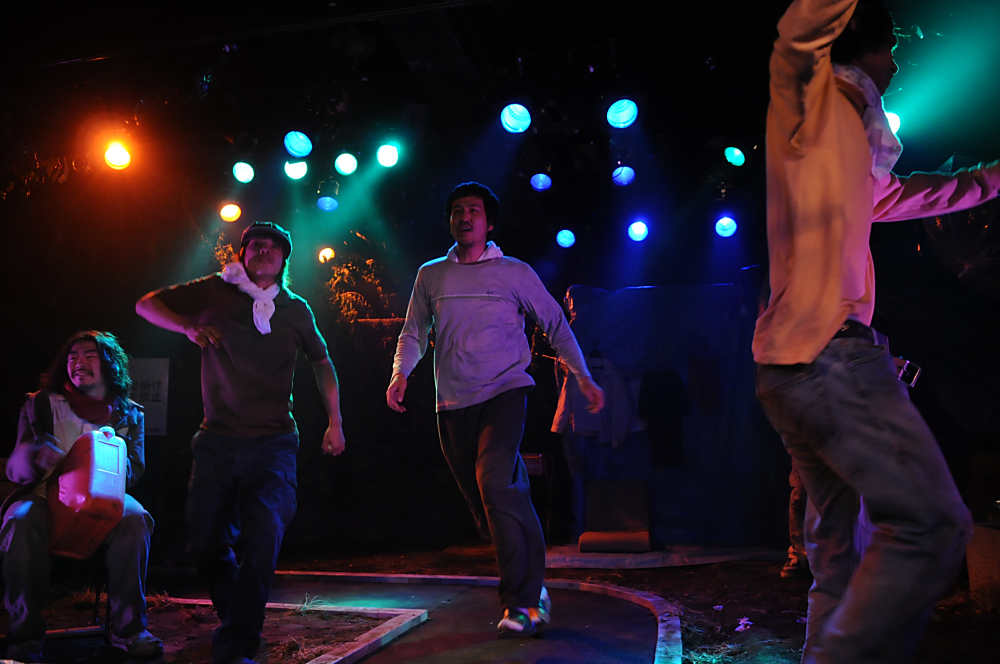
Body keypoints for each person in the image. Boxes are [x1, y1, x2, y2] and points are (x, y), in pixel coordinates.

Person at [754, 1, 1000, 661]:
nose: (895, 66)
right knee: (931, 525)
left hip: (788, 368)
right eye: (891, 50)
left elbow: (915, 194)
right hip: (831, 355)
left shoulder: (830, 156)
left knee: (838, 552)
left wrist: (991, 178)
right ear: (864, 47)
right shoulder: (831, 108)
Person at [386, 182, 604, 637]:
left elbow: (555, 323)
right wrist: (401, 372)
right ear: (449, 221)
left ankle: (520, 603)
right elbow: (413, 332)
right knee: (491, 504)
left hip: (505, 392)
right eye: (457, 211)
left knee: (495, 485)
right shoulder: (431, 275)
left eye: (474, 210)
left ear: (489, 223)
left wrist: (582, 376)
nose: (465, 217)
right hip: (452, 402)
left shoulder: (514, 272)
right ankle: (534, 586)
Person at [136, 221, 346, 664]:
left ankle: (236, 646)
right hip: (217, 440)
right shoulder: (215, 291)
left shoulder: (294, 309)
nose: (264, 251)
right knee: (204, 543)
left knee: (264, 537)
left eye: (274, 247)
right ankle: (238, 615)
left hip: (273, 443)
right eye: (256, 245)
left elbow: (322, 360)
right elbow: (146, 304)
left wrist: (336, 421)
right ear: (242, 254)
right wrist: (186, 326)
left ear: (284, 260)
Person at [2, 331, 162, 662]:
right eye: (73, 356)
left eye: (90, 355)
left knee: (136, 518)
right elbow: (15, 467)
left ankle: (129, 630)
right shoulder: (41, 403)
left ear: (109, 364)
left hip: (103, 499)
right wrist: (33, 455)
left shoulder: (130, 413)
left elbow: (134, 469)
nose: (79, 362)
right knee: (20, 520)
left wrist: (109, 456)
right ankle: (24, 640)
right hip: (44, 495)